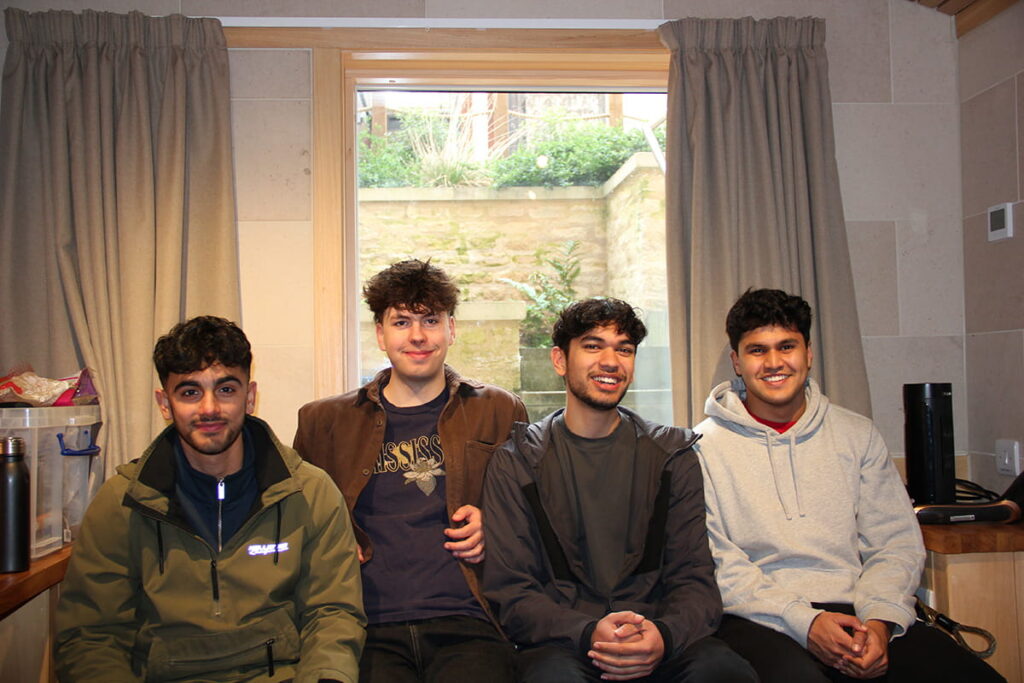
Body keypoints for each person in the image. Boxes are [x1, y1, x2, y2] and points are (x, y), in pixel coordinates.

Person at [696, 288, 1005, 682]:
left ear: (808, 354)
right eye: (758, 350)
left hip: (858, 610)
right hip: (759, 618)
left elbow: (894, 543)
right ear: (737, 363)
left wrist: (880, 621)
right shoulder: (702, 447)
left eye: (786, 346)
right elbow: (719, 564)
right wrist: (805, 622)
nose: (774, 362)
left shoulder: (858, 435)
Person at [55, 316, 365, 682]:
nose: (209, 409)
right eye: (189, 392)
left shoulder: (310, 493)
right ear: (164, 404)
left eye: (225, 390)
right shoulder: (121, 503)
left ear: (249, 397)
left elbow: (333, 616)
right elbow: (91, 636)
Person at [482, 298, 757, 683]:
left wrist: (663, 635)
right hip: (564, 643)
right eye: (593, 346)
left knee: (725, 672)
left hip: (660, 636)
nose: (611, 361)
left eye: (624, 349)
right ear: (560, 360)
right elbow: (511, 591)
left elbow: (694, 578)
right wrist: (586, 631)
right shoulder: (517, 462)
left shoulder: (672, 455)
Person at [294, 259, 527, 683]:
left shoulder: (498, 410)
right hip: (367, 625)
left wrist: (497, 526)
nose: (417, 335)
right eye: (401, 322)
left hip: (469, 620)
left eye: (430, 320)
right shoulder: (324, 423)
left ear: (451, 330)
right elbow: (298, 529)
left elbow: (536, 514)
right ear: (380, 334)